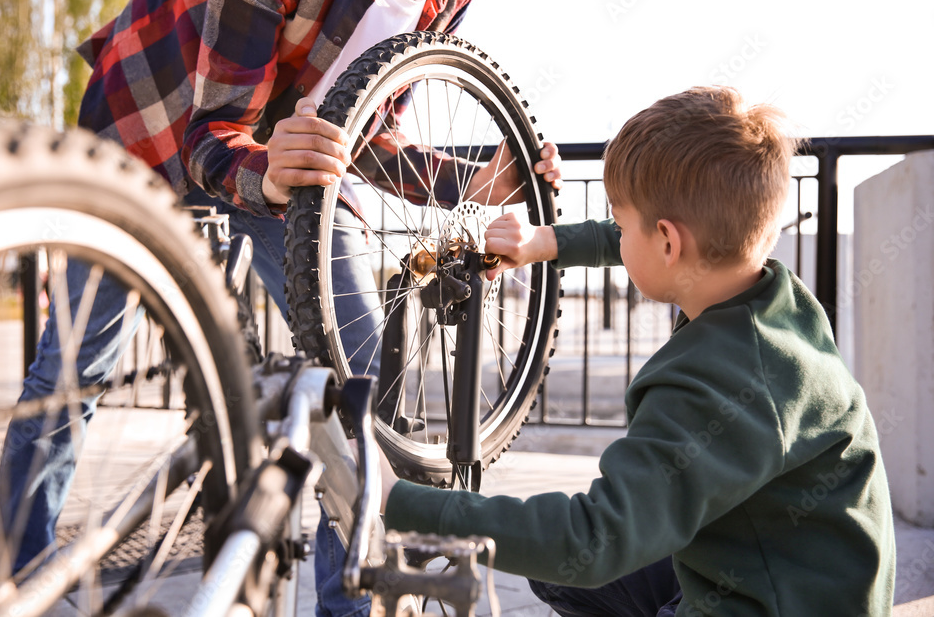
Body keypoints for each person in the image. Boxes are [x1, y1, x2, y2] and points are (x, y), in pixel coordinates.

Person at [0, 0, 562, 613]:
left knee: (366, 379)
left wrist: (475, 181)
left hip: (296, 170)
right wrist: (270, 171)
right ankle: (19, 577)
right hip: (152, 132)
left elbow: (373, 135)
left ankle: (349, 601)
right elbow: (212, 134)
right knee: (72, 371)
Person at [380, 86, 896, 616]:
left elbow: (591, 541)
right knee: (563, 578)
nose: (618, 239)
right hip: (804, 578)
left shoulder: (715, 381)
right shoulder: (772, 299)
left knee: (572, 558)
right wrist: (547, 242)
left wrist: (397, 502)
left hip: (763, 601)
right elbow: (648, 231)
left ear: (669, 244)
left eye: (622, 224)